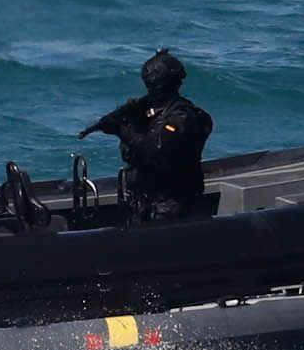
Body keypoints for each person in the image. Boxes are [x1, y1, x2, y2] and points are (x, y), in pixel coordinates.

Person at [85, 48, 216, 222]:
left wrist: (123, 130)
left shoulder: (182, 116)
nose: (151, 89)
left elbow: (156, 148)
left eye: (155, 85)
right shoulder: (145, 110)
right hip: (141, 201)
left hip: (170, 204)